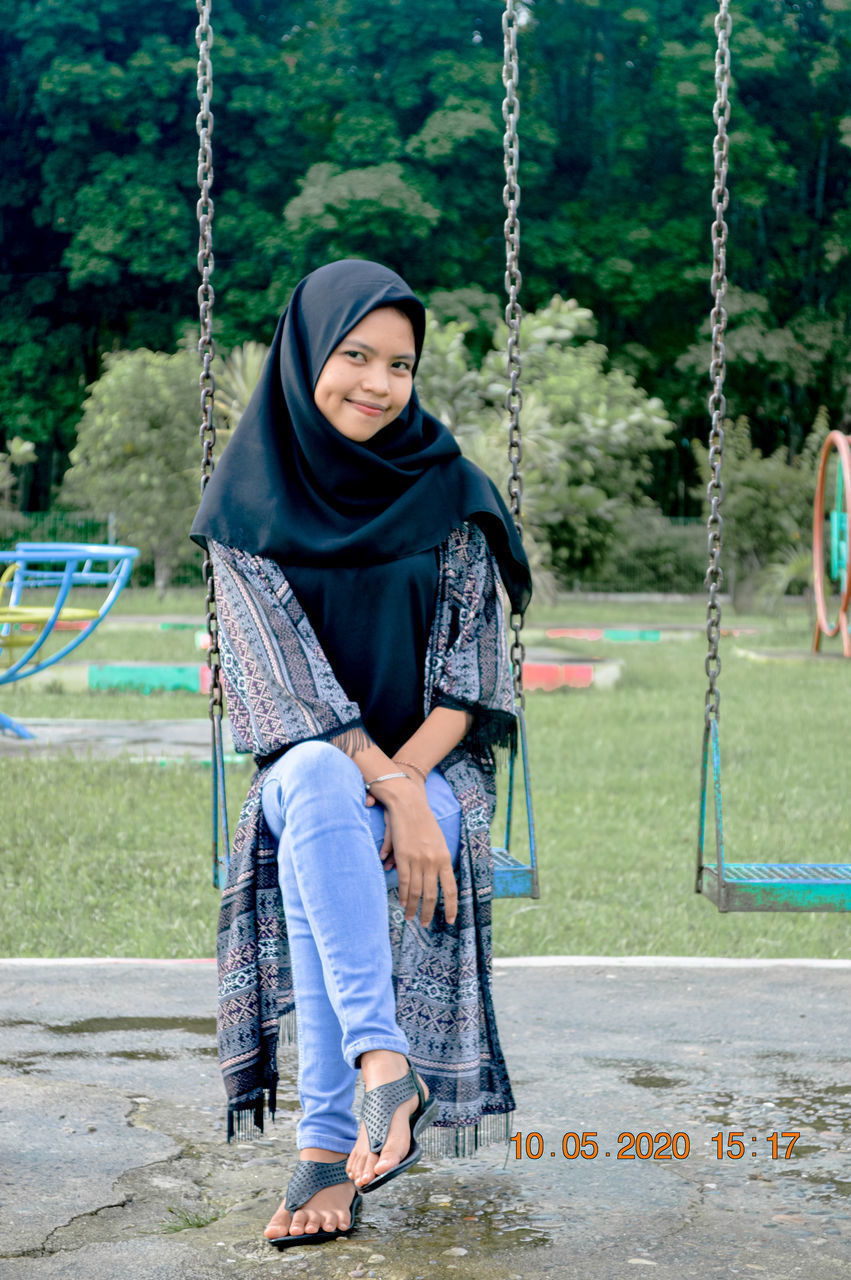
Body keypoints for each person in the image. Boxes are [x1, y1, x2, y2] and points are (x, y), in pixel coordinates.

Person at [190, 259, 531, 1250]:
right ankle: (387, 1068)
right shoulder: (244, 502)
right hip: (321, 764)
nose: (376, 384)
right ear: (304, 356)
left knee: (320, 806)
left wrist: (413, 788)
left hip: (433, 764)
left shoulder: (449, 490)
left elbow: (470, 681)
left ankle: (327, 1135)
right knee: (310, 779)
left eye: (399, 365)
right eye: (353, 356)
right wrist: (392, 790)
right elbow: (287, 691)